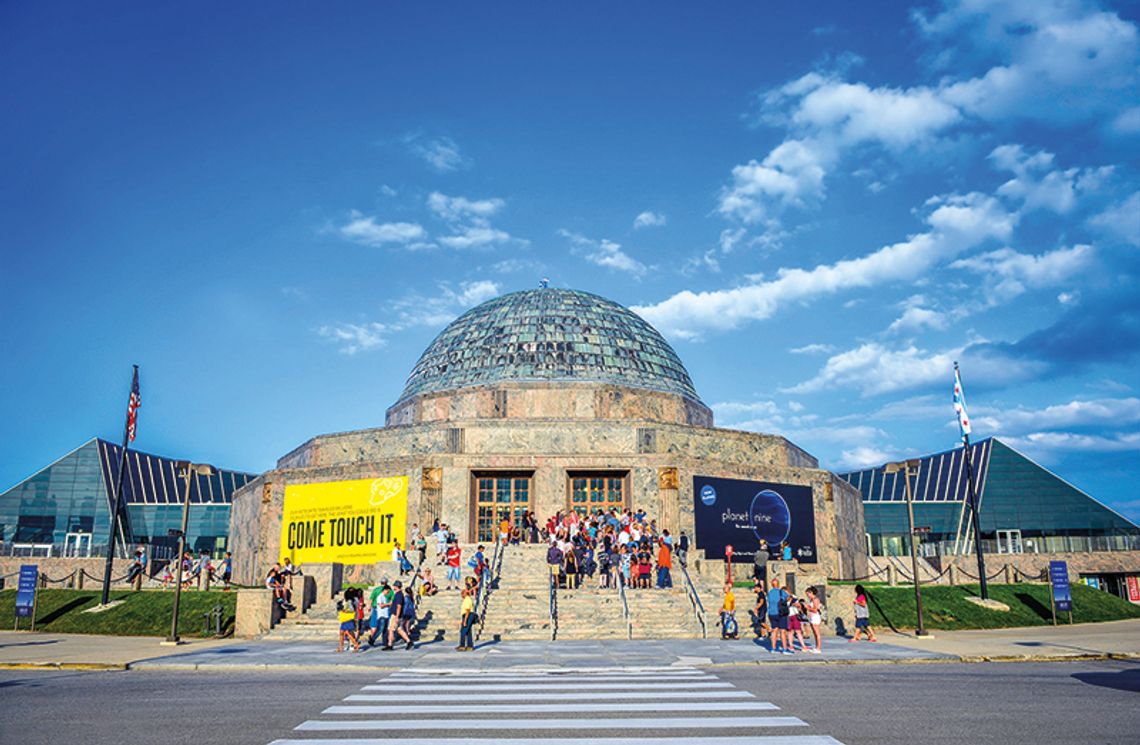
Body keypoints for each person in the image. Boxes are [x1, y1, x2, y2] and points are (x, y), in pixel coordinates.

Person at [766, 577, 792, 654]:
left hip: (771, 613)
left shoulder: (769, 593)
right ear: (778, 584)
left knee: (774, 630)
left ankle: (773, 648)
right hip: (780, 613)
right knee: (783, 631)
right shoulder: (781, 592)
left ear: (771, 585)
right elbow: (788, 597)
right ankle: (784, 649)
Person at [367, 577, 392, 646]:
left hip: (380, 610)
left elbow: (371, 599)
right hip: (380, 612)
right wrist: (389, 604)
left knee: (379, 627)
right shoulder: (382, 595)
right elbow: (382, 604)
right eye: (388, 591)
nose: (388, 592)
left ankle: (384, 642)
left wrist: (369, 606)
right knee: (380, 628)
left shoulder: (376, 590)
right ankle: (372, 639)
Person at [805, 586, 823, 654]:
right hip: (812, 617)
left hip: (815, 617)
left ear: (811, 593)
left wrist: (808, 608)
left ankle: (818, 648)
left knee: (817, 633)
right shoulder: (812, 600)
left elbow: (815, 610)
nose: (808, 596)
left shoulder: (815, 600)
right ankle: (816, 647)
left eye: (808, 594)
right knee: (815, 633)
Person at [457, 587, 476, 651]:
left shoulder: (468, 599)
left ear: (465, 593)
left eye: (462, 593)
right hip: (467, 615)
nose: (461, 595)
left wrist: (465, 620)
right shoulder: (466, 599)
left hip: (468, 615)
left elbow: (468, 610)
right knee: (468, 631)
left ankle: (462, 645)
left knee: (463, 631)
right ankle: (470, 646)